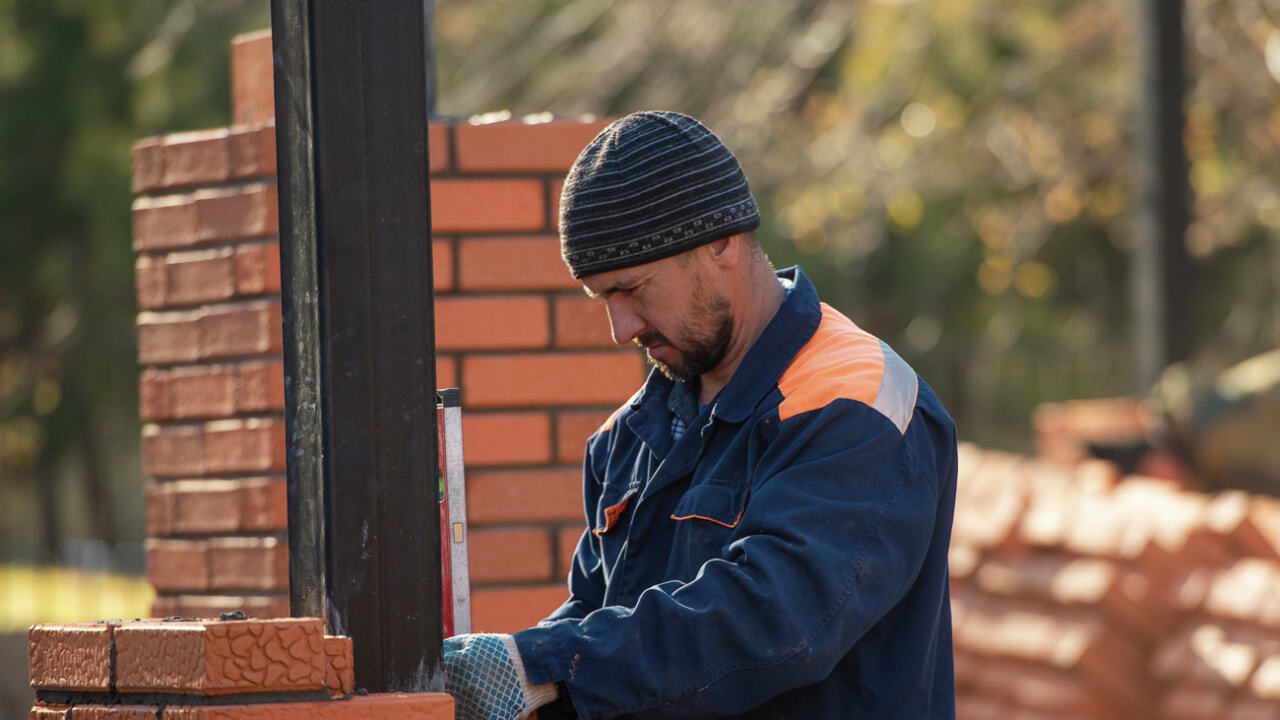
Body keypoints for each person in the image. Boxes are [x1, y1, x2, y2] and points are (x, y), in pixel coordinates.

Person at [442, 111, 958, 719]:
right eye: (603, 297)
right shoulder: (629, 436)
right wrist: (514, 676)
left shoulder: (856, 402)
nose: (621, 328)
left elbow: (778, 618)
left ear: (720, 243)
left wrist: (546, 663)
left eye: (633, 289)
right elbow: (601, 620)